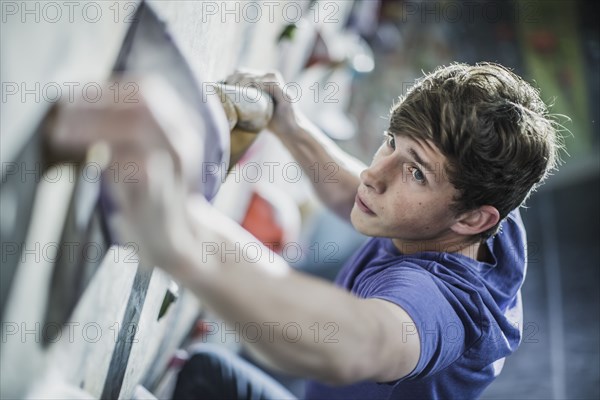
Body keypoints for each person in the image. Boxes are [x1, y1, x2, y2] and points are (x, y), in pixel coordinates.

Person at [52, 63, 562, 399]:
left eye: (415, 172)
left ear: (474, 219)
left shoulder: (445, 309)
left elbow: (359, 341)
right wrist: (290, 125)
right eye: (391, 142)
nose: (374, 174)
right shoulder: (478, 209)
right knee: (203, 371)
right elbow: (359, 198)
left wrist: (180, 229)